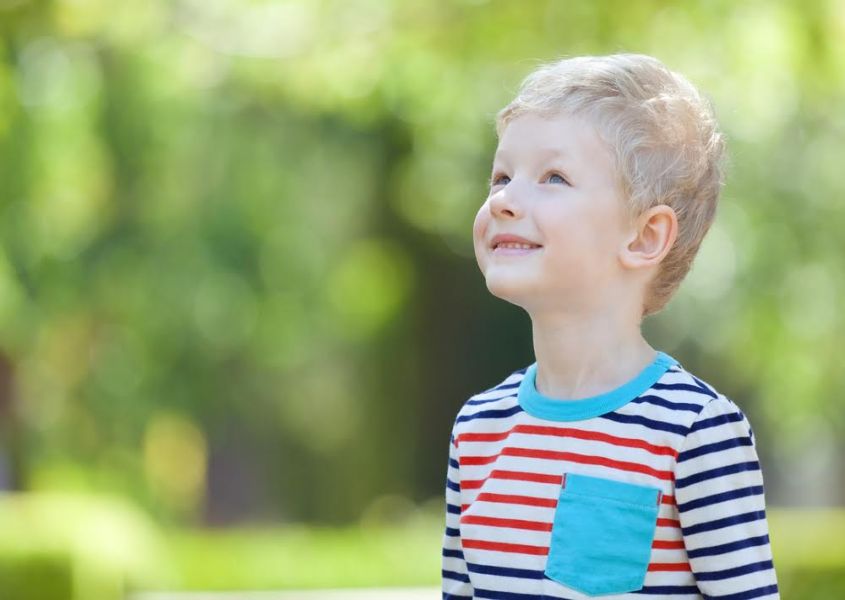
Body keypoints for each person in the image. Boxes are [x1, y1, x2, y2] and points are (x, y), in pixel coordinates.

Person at [441, 53, 780, 599]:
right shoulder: (478, 429)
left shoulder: (694, 431)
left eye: (553, 177)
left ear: (644, 237)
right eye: (501, 176)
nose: (503, 200)